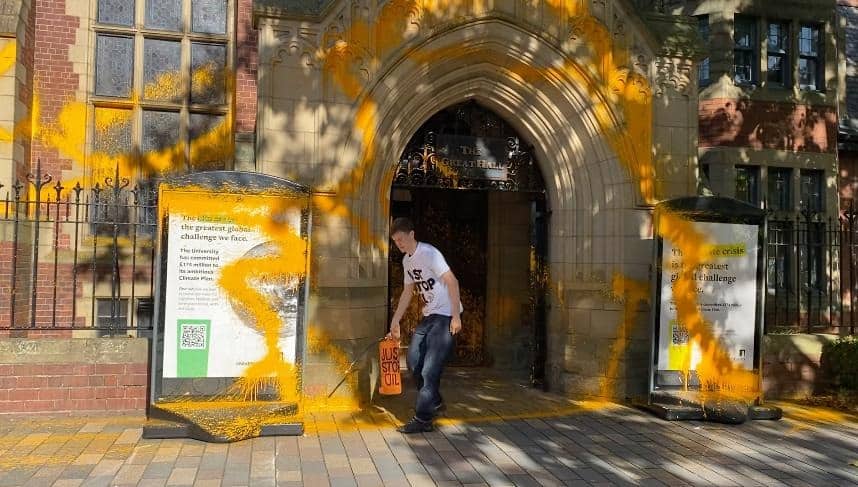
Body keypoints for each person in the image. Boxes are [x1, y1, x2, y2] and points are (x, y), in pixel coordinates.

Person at [387, 216, 463, 433]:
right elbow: (408, 291)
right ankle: (436, 402)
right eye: (395, 241)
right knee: (413, 362)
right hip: (430, 315)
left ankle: (423, 419)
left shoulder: (429, 253)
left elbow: (452, 281)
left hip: (446, 315)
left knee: (430, 370)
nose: (399, 243)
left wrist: (456, 316)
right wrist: (395, 320)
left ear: (412, 235)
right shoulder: (406, 261)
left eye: (401, 239)